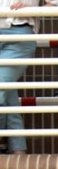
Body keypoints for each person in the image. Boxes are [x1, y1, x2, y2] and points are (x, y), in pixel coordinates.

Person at [0, 0, 38, 155]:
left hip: (19, 33)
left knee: (1, 89)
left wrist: (32, 8)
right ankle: (19, 152)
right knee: (8, 95)